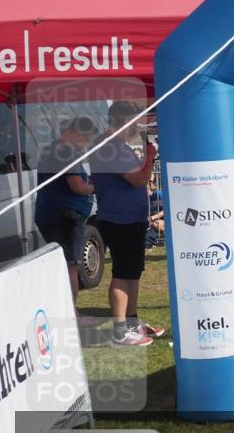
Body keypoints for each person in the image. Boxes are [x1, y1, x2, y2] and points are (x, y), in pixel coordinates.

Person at [88, 101, 164, 347]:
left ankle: (131, 322)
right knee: (123, 272)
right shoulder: (111, 146)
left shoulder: (116, 145)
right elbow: (139, 179)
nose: (138, 126)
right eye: (136, 120)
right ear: (125, 121)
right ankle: (120, 330)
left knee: (132, 272)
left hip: (130, 218)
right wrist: (151, 157)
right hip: (120, 219)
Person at [34, 116, 98, 302]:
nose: (86, 144)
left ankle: (66, 310)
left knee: (64, 265)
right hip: (65, 218)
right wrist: (94, 188)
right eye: (86, 139)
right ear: (76, 133)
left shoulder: (53, 150)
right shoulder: (64, 152)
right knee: (71, 266)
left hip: (54, 214)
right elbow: (77, 186)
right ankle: (72, 314)